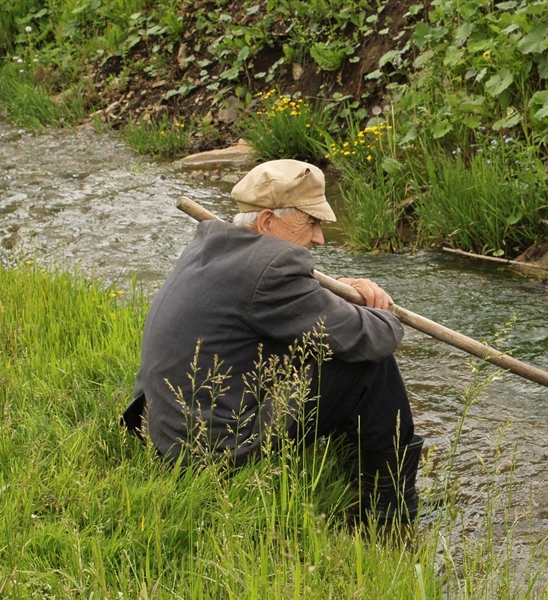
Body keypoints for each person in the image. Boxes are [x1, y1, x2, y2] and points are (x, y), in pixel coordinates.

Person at [123, 159, 422, 524]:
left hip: (162, 430)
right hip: (211, 452)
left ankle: (355, 471)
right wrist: (382, 310)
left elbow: (301, 316)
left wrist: (344, 296)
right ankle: (391, 509)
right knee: (369, 365)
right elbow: (375, 338)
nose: (319, 237)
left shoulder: (212, 243)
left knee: (329, 346)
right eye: (310, 222)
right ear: (267, 221)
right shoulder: (273, 267)